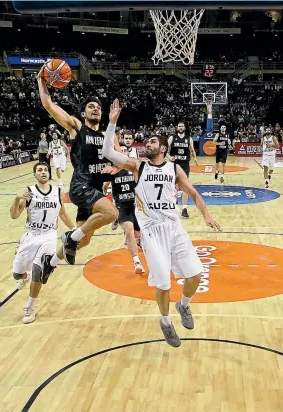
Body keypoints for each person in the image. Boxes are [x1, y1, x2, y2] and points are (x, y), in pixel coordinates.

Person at [101, 99, 221, 347]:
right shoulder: (138, 166)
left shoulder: (175, 169)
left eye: (153, 141)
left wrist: (206, 215)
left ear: (164, 148)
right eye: (148, 141)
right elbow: (108, 153)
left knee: (196, 275)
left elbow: (195, 194)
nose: (148, 143)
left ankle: (183, 305)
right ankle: (166, 322)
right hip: (152, 232)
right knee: (164, 283)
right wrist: (112, 123)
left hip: (174, 228)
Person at [36, 64, 121, 269]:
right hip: (81, 186)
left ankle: (50, 262)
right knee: (111, 214)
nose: (96, 109)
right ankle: (70, 238)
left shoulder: (108, 136)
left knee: (84, 239)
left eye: (98, 107)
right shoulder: (77, 128)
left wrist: (116, 169)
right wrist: (41, 80)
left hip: (95, 191)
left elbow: (121, 161)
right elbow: (48, 104)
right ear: (83, 113)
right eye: (91, 106)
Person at [9, 162, 75, 324]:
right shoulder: (28, 193)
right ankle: (25, 276)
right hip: (31, 236)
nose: (43, 172)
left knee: (39, 270)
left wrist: (74, 229)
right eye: (39, 170)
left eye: (46, 170)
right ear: (35, 174)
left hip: (49, 236)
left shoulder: (58, 192)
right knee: (17, 274)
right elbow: (14, 215)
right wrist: (17, 198)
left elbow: (62, 213)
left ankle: (30, 306)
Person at [104, 131, 145, 275]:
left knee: (138, 234)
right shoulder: (113, 171)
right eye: (119, 152)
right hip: (122, 205)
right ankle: (137, 262)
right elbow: (104, 188)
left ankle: (137, 242)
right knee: (129, 231)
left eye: (123, 152)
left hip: (136, 206)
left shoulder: (133, 168)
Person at [167, 122, 199, 218]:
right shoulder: (172, 138)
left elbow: (192, 150)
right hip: (174, 164)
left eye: (182, 126)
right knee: (174, 187)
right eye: (179, 126)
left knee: (185, 187)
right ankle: (173, 208)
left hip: (185, 164)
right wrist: (169, 157)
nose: (180, 127)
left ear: (184, 128)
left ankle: (184, 209)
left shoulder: (189, 138)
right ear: (177, 128)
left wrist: (195, 159)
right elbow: (165, 150)